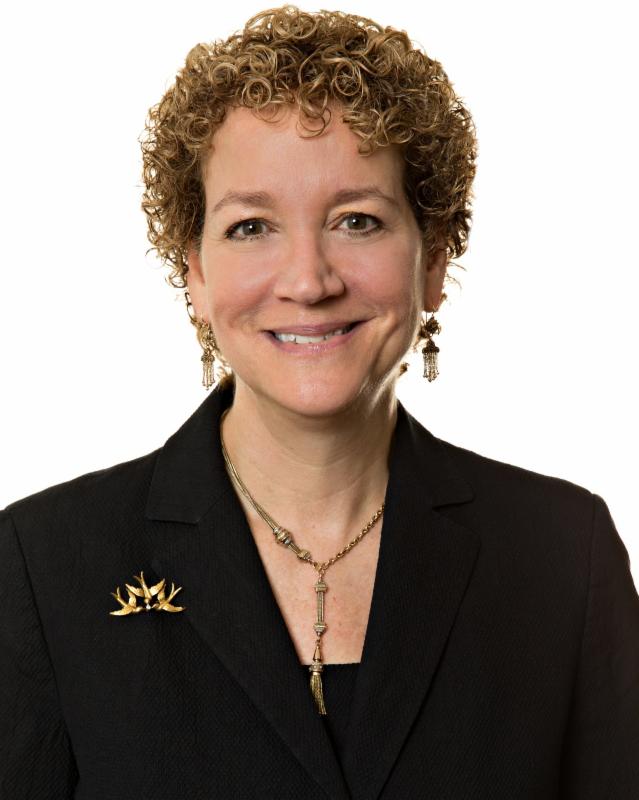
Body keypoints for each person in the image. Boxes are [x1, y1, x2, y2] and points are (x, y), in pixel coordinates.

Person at [1, 5, 637, 798]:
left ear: (434, 258)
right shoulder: (40, 564)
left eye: (356, 221)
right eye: (251, 227)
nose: (308, 280)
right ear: (193, 272)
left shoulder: (563, 554)